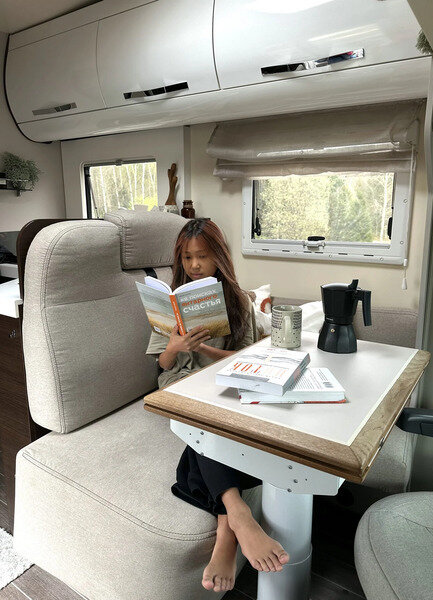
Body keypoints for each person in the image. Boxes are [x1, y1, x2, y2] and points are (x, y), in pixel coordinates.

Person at [147, 218, 289, 594]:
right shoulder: (171, 302)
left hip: (222, 384)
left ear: (219, 257)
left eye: (203, 256)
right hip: (179, 387)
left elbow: (246, 359)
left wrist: (205, 349)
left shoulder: (238, 300)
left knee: (208, 428)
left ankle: (226, 525)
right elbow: (161, 365)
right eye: (187, 257)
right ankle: (237, 514)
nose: (195, 265)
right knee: (202, 417)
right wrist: (175, 347)